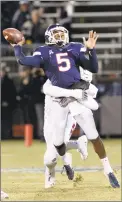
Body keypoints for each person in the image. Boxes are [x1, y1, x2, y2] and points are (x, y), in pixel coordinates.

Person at [11, 24, 120, 188]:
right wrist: (17, 47)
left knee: (93, 134)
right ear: (49, 36)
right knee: (58, 143)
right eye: (56, 34)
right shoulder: (44, 51)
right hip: (59, 100)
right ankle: (67, 162)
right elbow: (23, 60)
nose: (60, 36)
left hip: (77, 95)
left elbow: (94, 68)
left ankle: (108, 169)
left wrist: (91, 50)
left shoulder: (75, 47)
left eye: (62, 33)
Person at [1, 66, 16, 139]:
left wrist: (6, 101)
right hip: (2, 104)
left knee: (7, 120)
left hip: (7, 104)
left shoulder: (8, 81)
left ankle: (7, 135)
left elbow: (11, 93)